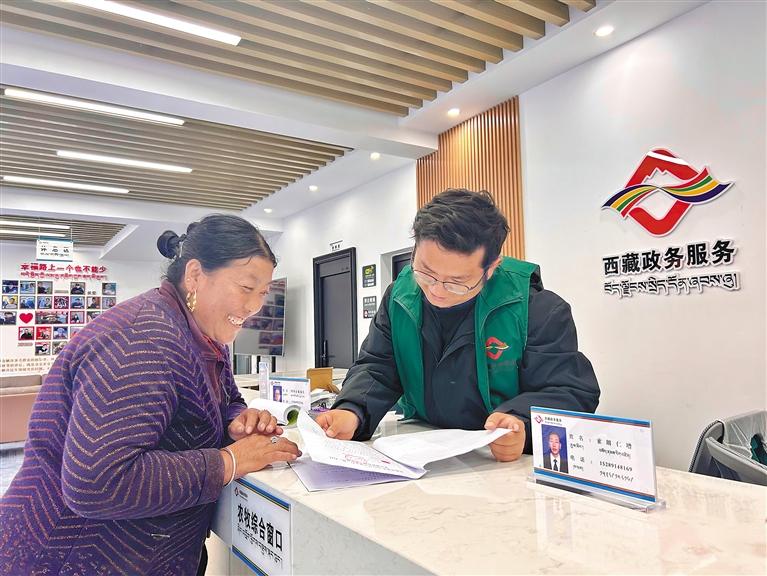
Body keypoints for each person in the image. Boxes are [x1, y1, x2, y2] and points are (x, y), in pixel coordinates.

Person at [0, 215, 301, 575]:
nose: (254, 306)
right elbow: (97, 481)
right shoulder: (141, 339)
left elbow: (224, 401)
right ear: (194, 275)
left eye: (263, 293)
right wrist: (228, 461)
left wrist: (239, 420)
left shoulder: (205, 336)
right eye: (246, 287)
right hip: (72, 556)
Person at [317, 189, 600, 462]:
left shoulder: (538, 310)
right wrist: (352, 410)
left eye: (457, 282)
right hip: (421, 446)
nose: (437, 290)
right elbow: (378, 366)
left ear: (492, 267)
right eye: (426, 272)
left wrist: (521, 423)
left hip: (494, 459)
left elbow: (569, 391)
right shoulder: (399, 298)